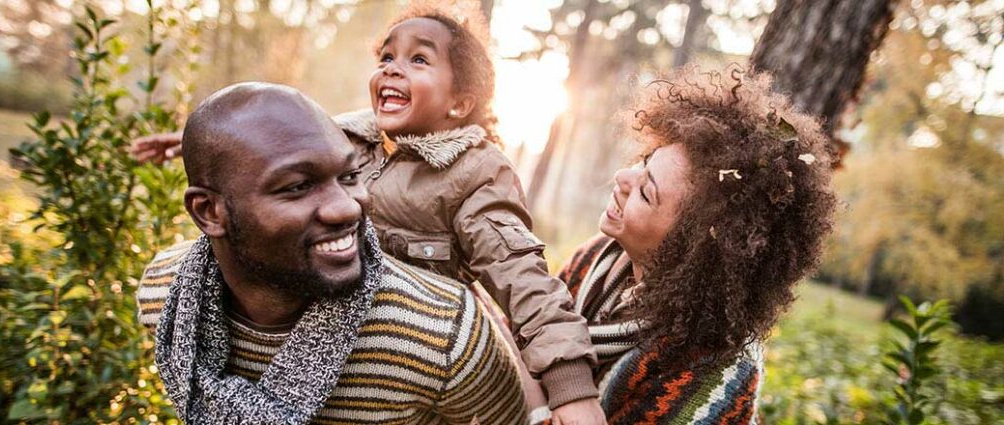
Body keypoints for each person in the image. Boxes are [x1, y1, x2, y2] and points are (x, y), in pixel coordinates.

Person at [132, 2, 602, 423]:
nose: (394, 69)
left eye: (419, 59)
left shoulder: (474, 172)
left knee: (527, 403)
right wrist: (189, 144)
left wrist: (570, 388)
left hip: (421, 320)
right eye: (386, 57)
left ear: (460, 102)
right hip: (327, 301)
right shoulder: (351, 138)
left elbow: (522, 277)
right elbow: (261, 147)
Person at [136, 82, 527, 424]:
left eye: (349, 177)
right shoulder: (164, 297)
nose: (347, 208)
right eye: (297, 187)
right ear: (209, 211)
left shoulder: (444, 333)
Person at [556, 67, 837, 424]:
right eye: (644, 163)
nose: (622, 178)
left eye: (646, 192)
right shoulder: (598, 257)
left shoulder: (716, 374)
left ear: (689, 247)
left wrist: (536, 388)